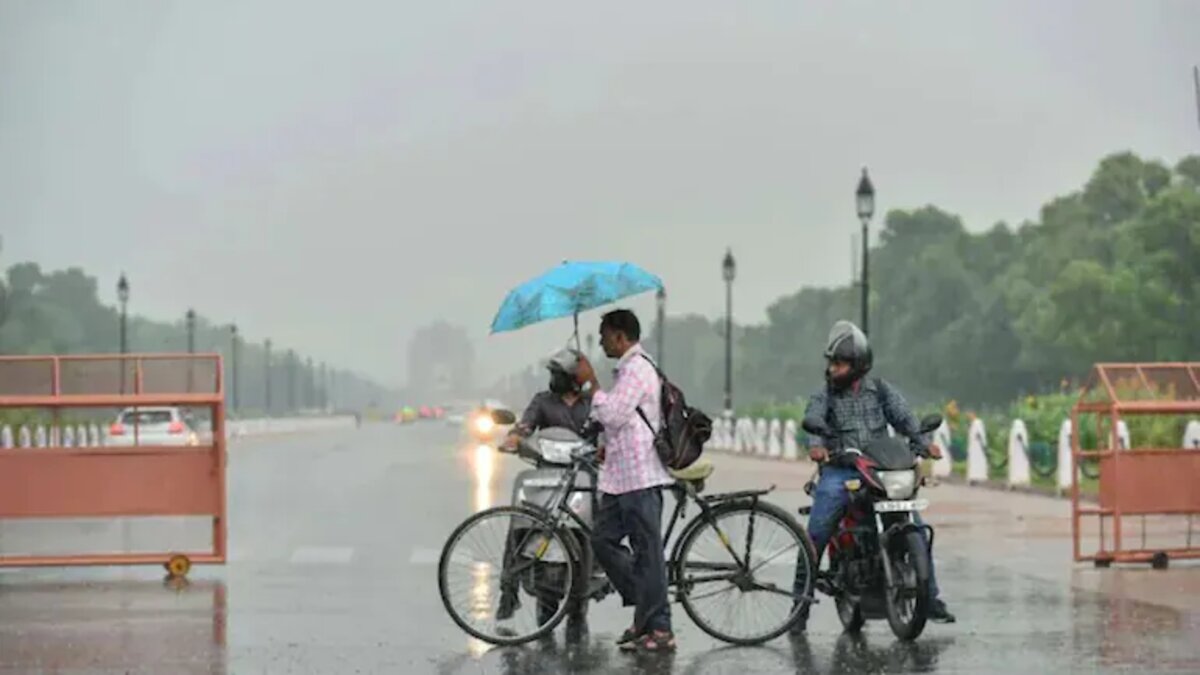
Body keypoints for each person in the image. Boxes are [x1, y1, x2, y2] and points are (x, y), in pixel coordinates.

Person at [791, 320, 956, 634]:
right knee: (816, 533)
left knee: (916, 526)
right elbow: (813, 420)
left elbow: (905, 419)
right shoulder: (825, 394)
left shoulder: (880, 390)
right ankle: (800, 604)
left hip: (880, 468)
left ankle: (930, 598)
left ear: (857, 365)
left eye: (838, 364)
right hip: (842, 470)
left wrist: (923, 444)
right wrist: (816, 446)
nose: (832, 370)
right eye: (831, 363)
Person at [575, 309, 677, 653]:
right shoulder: (626, 371)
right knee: (602, 540)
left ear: (621, 336)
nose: (601, 340)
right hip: (620, 477)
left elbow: (615, 414)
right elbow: (621, 421)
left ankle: (659, 628)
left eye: (604, 334)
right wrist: (606, 445)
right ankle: (646, 606)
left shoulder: (637, 369)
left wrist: (591, 384)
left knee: (648, 554)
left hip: (641, 477)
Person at [496, 348, 593, 624]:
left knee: (588, 535)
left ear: (574, 377)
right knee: (519, 525)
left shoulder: (593, 404)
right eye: (553, 374)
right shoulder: (542, 401)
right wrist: (515, 437)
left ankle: (582, 594)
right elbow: (525, 425)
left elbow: (606, 433)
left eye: (559, 374)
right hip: (546, 479)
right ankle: (508, 590)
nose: (554, 379)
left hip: (582, 480)